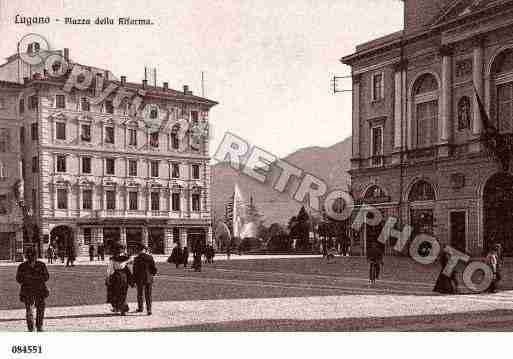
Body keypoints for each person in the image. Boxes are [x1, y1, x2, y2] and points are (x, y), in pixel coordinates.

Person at [16, 247, 49, 332]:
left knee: (35, 310)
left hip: (34, 290)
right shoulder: (40, 265)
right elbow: (45, 277)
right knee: (33, 310)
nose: (31, 257)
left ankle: (35, 327)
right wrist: (37, 279)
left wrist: (29, 279)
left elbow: (46, 277)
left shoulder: (23, 266)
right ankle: (36, 327)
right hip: (34, 290)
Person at [106, 245, 134, 315]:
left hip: (116, 277)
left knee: (116, 293)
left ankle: (118, 307)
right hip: (124, 277)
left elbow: (110, 270)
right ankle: (123, 309)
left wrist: (108, 277)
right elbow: (131, 261)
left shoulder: (113, 259)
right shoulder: (126, 258)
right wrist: (126, 261)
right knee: (123, 293)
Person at [133, 244, 157, 315]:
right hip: (148, 278)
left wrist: (134, 280)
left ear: (139, 250)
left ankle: (140, 308)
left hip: (139, 278)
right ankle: (149, 309)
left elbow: (135, 270)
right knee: (148, 294)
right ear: (144, 250)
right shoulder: (150, 257)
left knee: (140, 294)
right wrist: (152, 275)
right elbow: (153, 268)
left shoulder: (136, 258)